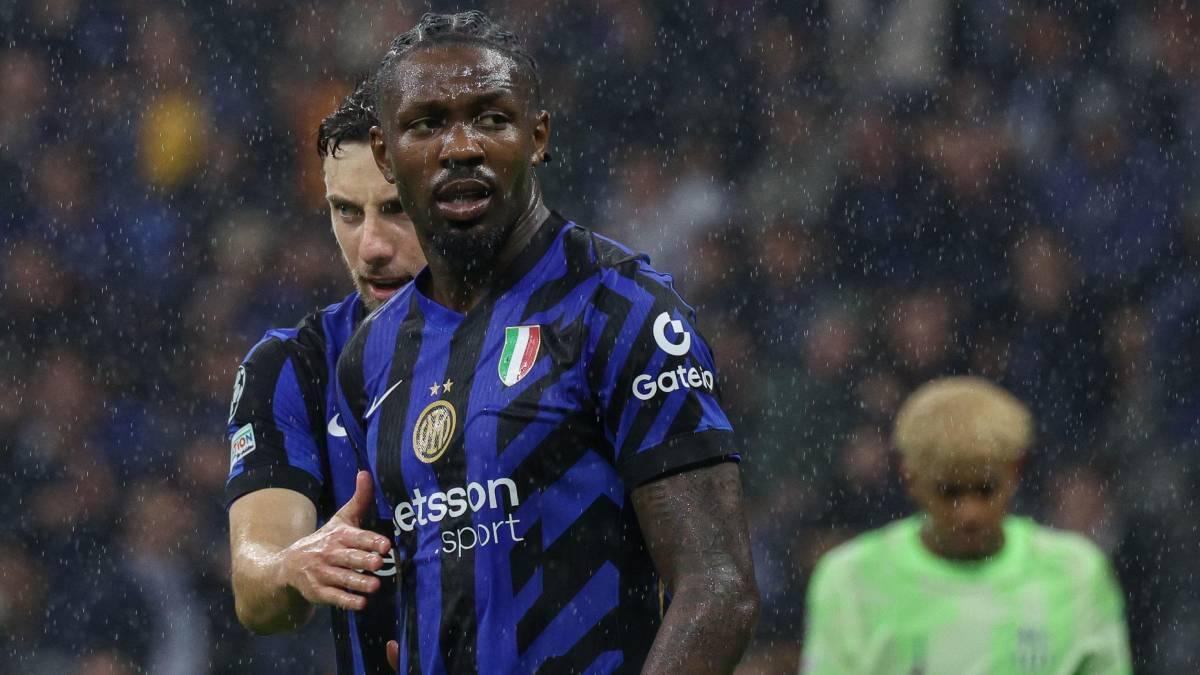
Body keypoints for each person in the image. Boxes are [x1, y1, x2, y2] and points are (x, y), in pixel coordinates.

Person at [334, 11, 759, 674]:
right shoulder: (371, 354)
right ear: (385, 155)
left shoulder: (619, 308)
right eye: (427, 124)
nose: (460, 147)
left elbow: (719, 588)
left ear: (538, 136)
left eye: (491, 118)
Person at [225, 84, 426, 674]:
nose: (371, 247)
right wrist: (293, 566)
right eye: (347, 212)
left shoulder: (548, 337)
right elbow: (257, 591)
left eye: (396, 208)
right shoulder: (294, 367)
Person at [802, 376, 1132, 674]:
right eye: (949, 492)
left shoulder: (1077, 575)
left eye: (986, 490)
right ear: (910, 479)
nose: (969, 513)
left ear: (1015, 472)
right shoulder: (852, 582)